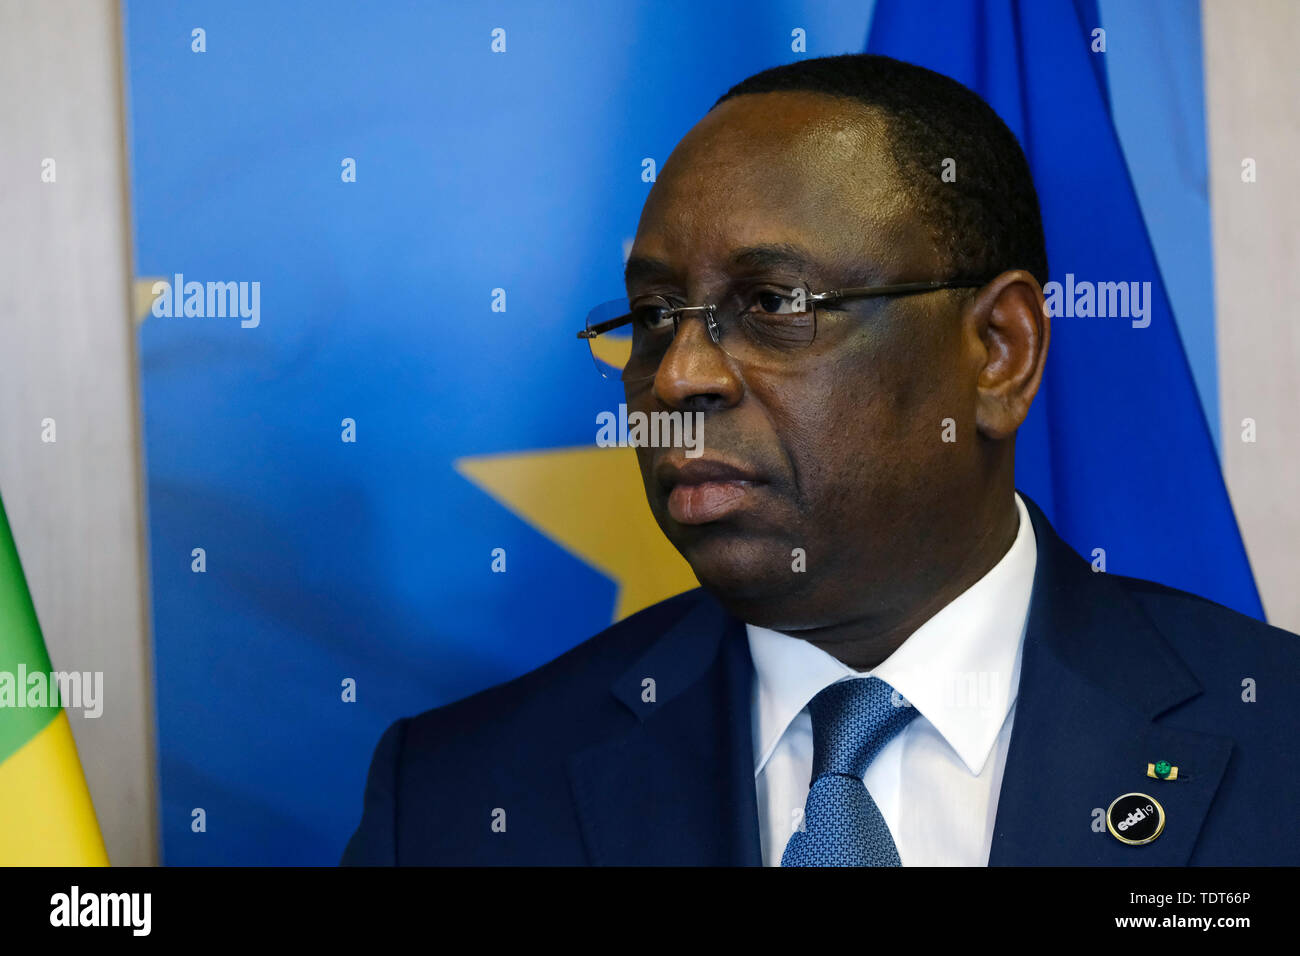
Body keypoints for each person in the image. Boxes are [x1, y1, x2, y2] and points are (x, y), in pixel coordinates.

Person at [341, 53, 1300, 866]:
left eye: (773, 304)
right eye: (649, 317)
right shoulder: (456, 801)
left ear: (999, 352)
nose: (676, 380)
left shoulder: (1275, 741)